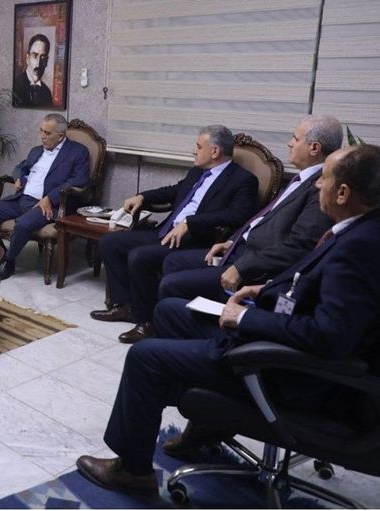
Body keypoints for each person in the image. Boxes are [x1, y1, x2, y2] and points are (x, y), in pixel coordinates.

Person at [75, 144, 380, 496]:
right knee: (171, 310)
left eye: (324, 179)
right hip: (279, 330)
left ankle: (133, 471)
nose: (317, 185)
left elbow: (328, 336)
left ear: (343, 193)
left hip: (287, 370)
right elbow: (317, 291)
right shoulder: (359, 230)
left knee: (145, 357)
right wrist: (265, 289)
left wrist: (246, 317)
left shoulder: (360, 248)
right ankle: (208, 423)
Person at [90, 125, 258, 343]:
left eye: (198, 146)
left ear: (215, 151)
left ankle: (147, 321)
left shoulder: (243, 179)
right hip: (166, 231)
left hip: (194, 240)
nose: (194, 151)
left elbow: (237, 215)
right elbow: (174, 191)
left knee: (139, 256)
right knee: (110, 242)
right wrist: (142, 196)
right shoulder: (198, 172)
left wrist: (191, 223)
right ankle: (126, 306)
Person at [158, 116, 340, 302]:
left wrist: (242, 268)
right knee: (173, 261)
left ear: (314, 148)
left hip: (256, 266)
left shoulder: (321, 188)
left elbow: (299, 246)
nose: (289, 143)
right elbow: (265, 220)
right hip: (238, 249)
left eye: (295, 138)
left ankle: (188, 317)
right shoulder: (301, 179)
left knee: (171, 285)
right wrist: (232, 241)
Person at [0, 113, 90, 279]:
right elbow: (20, 167)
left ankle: (9, 262)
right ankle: (0, 256)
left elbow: (79, 179)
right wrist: (18, 177)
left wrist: (50, 198)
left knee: (22, 224)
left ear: (60, 136)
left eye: (47, 133)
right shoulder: (36, 151)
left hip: (48, 205)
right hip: (22, 199)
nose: (42, 136)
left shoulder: (77, 152)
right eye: (41, 130)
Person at [12, 33, 53, 107]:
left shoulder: (47, 93)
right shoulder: (16, 86)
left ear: (46, 61)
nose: (38, 63)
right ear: (28, 58)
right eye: (35, 56)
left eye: (43, 57)